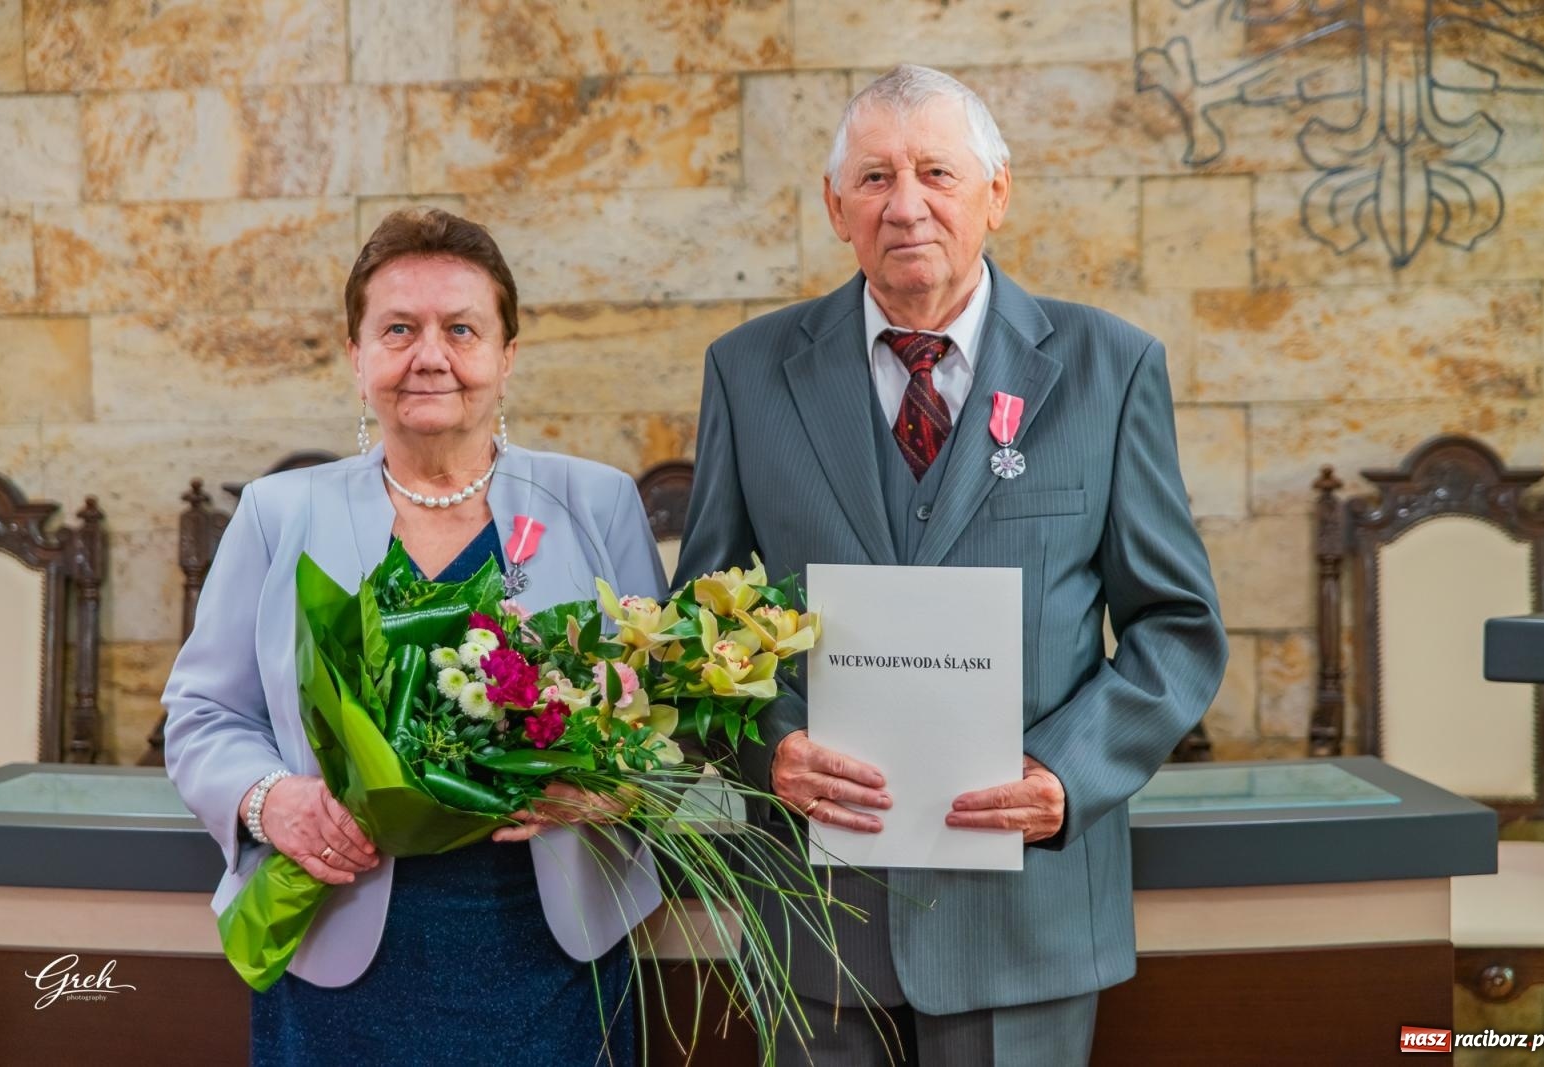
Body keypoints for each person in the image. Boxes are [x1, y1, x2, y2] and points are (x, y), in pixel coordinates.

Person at [676, 65, 1229, 1065]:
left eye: (936, 171)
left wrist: (1068, 771)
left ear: (996, 195)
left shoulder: (1111, 368)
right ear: (835, 206)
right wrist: (771, 746)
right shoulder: (747, 371)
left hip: (1024, 916)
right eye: (876, 177)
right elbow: (697, 629)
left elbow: (1175, 628)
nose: (907, 204)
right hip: (816, 918)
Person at [163, 208, 667, 1064]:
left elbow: (666, 715)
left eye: (461, 329)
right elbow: (204, 714)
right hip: (338, 951)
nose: (429, 354)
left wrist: (617, 785)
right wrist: (268, 798)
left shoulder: (599, 504)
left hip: (550, 954)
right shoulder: (280, 513)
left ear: (506, 357)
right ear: (357, 356)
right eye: (398, 329)